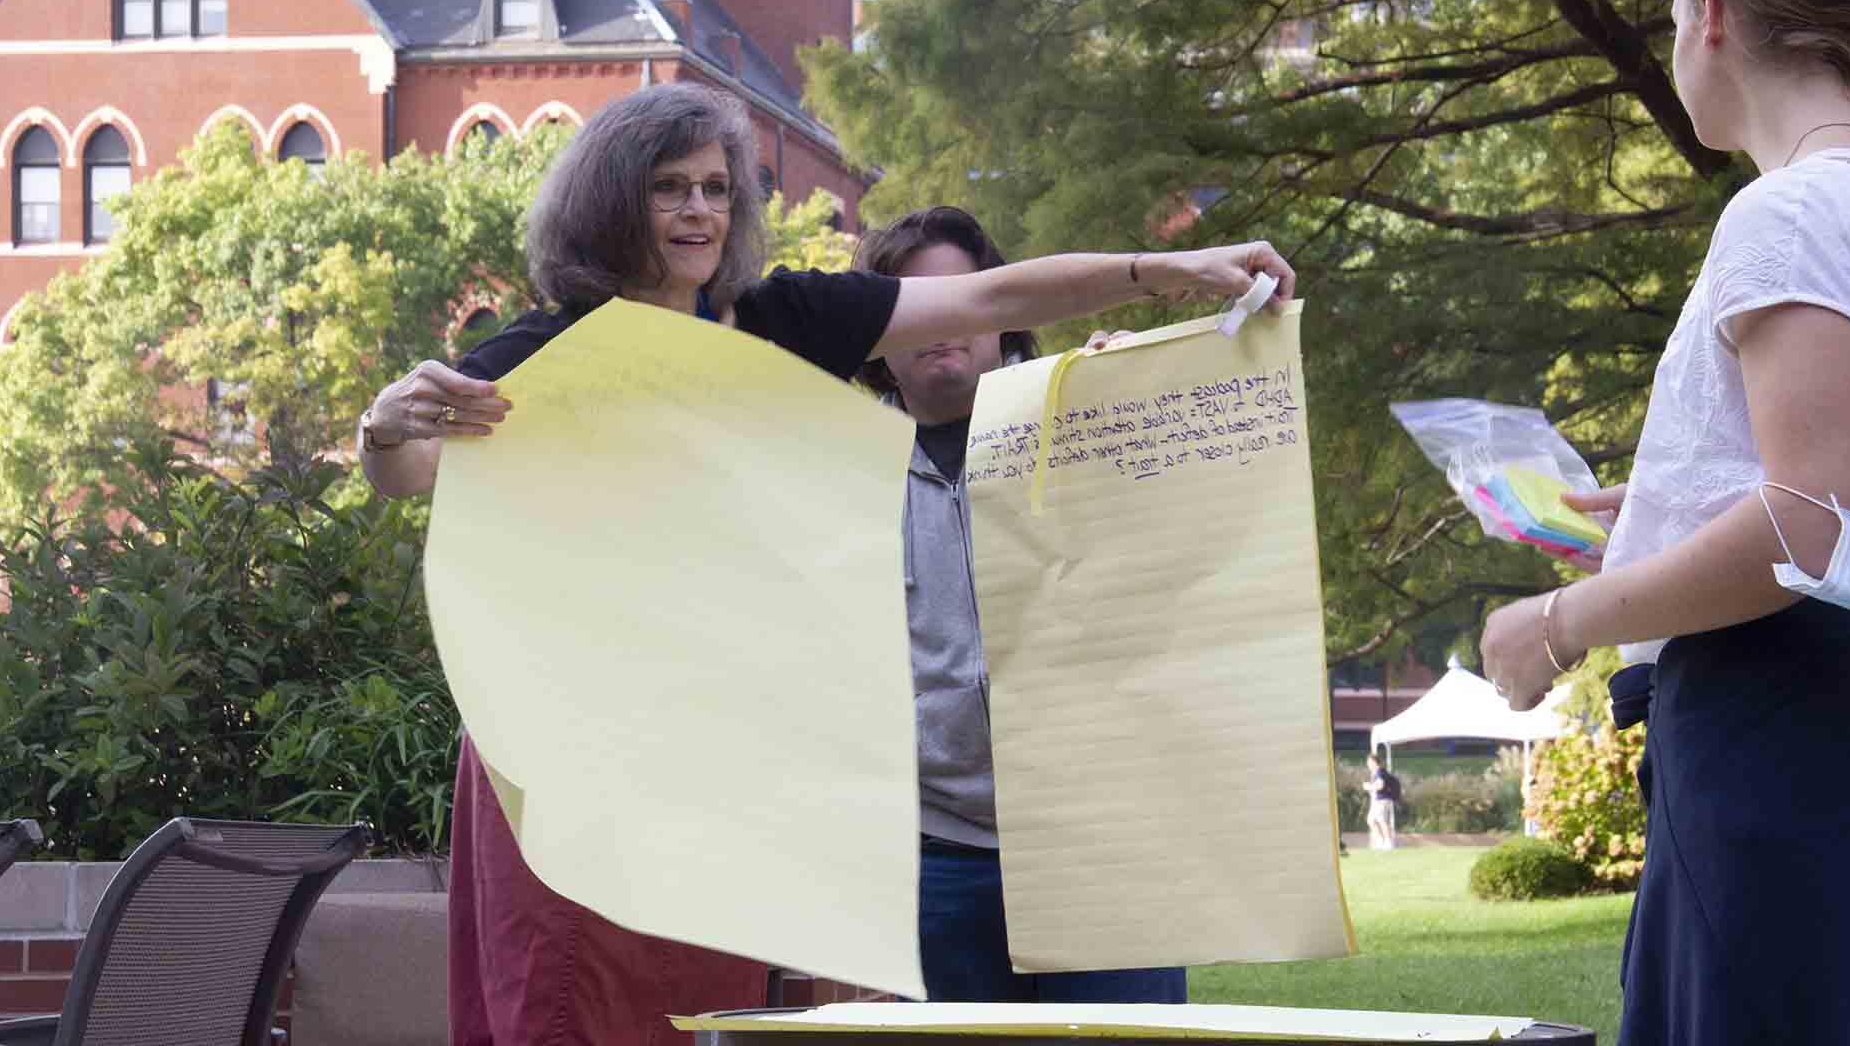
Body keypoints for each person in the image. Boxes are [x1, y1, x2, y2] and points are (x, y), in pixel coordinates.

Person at [355, 83, 1294, 1045]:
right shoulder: (548, 348)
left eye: (717, 189)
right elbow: (415, 470)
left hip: (715, 772)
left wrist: (1176, 269)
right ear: (610, 203)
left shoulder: (779, 322)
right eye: (669, 188)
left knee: (703, 1022)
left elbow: (995, 295)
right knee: (568, 1016)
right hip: (572, 762)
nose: (698, 212)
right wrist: (382, 430)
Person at [1479, 0, 1850, 1046]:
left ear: (1710, 11)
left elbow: (1811, 523)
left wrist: (1559, 618)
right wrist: (1669, 508)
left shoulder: (1790, 213)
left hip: (1774, 735)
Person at [852, 206, 1187, 1004]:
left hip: (1101, 847)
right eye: (914, 306)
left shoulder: (1092, 420)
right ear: (876, 341)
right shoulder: (835, 468)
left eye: (964, 298)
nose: (943, 323)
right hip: (933, 863)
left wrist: (1140, 398)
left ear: (1005, 317)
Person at [1363, 754, 1398, 851]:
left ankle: (1388, 842)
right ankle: (1380, 840)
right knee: (1371, 820)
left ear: (1374, 762)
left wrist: (1368, 787)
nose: (1368, 764)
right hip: (1378, 800)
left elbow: (1380, 786)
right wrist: (1370, 786)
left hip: (1382, 800)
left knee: (1381, 820)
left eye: (1369, 762)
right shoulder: (1376, 773)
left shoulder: (1380, 772)